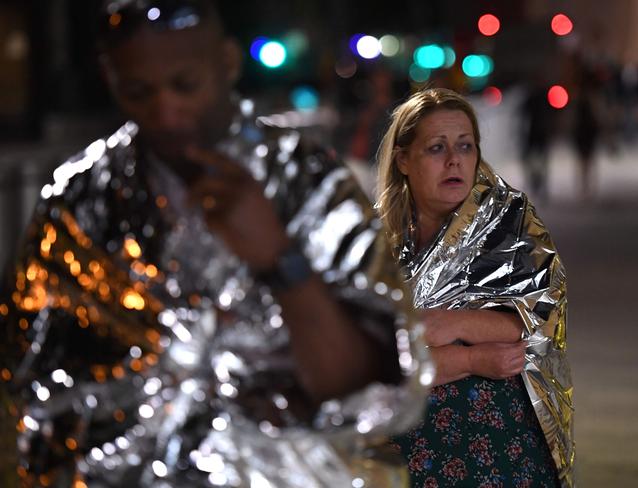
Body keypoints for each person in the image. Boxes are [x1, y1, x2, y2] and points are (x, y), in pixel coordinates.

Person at [0, 1, 432, 486]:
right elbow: (36, 393)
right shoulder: (78, 204)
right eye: (137, 92)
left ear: (226, 63)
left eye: (185, 85)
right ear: (109, 77)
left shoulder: (309, 186)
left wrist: (277, 258)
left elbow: (375, 389)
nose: (166, 111)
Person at [376, 88, 575, 487]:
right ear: (403, 160)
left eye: (465, 146)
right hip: (407, 448)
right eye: (436, 148)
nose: (454, 160)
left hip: (502, 445)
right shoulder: (373, 246)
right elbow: (371, 361)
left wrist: (451, 324)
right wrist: (471, 360)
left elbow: (535, 320)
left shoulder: (509, 225)